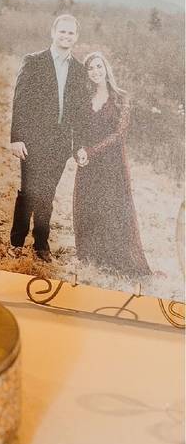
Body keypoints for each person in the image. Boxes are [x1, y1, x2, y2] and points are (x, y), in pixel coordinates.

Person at [7, 13, 87, 260]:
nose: (66, 36)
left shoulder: (79, 70)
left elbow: (79, 111)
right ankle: (17, 242)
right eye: (62, 31)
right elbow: (20, 101)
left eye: (71, 33)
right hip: (32, 139)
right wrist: (17, 137)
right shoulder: (34, 61)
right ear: (53, 33)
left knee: (47, 193)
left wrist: (78, 145)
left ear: (76, 37)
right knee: (28, 190)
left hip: (60, 143)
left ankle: (41, 244)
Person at [72, 52, 151, 276]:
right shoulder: (84, 97)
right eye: (90, 68)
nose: (95, 71)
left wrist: (91, 151)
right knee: (88, 205)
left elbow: (119, 134)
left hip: (111, 163)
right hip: (87, 162)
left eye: (99, 66)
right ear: (87, 73)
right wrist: (78, 150)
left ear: (106, 68)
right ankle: (90, 257)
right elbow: (78, 128)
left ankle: (114, 259)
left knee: (111, 208)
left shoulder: (120, 97)